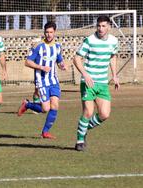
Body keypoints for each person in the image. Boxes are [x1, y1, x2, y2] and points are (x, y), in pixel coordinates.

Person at [73, 16, 120, 151]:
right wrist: (85, 74)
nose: (101, 28)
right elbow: (77, 58)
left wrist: (115, 76)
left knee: (104, 114)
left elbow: (112, 57)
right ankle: (80, 141)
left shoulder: (114, 41)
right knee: (88, 112)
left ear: (109, 27)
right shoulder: (90, 40)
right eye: (99, 26)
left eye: (104, 26)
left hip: (103, 83)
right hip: (88, 83)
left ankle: (83, 128)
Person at [17, 21, 67, 139]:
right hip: (42, 81)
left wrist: (62, 66)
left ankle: (45, 132)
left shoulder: (58, 46)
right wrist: (41, 67)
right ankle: (28, 104)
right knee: (45, 108)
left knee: (54, 106)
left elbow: (59, 61)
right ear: (44, 32)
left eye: (51, 32)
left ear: (54, 32)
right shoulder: (38, 46)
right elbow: (27, 62)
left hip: (54, 81)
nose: (49, 34)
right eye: (47, 32)